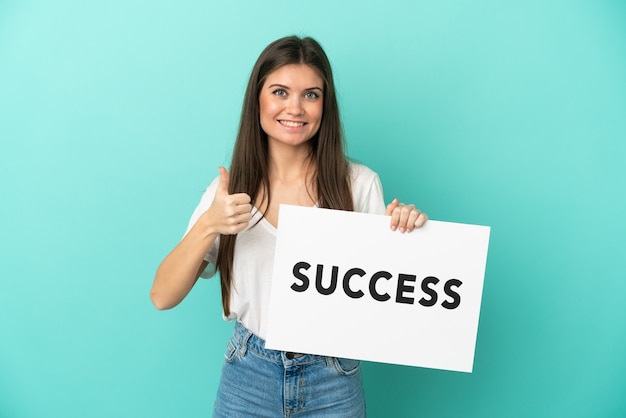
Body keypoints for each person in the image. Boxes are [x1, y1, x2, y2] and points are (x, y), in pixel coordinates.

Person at [150, 35, 428, 417]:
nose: (295, 108)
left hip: (333, 375)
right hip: (249, 373)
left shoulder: (359, 184)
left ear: (324, 105)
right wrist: (208, 225)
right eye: (280, 91)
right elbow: (162, 296)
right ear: (258, 100)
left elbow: (390, 294)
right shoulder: (228, 193)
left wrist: (408, 233)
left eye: (311, 95)